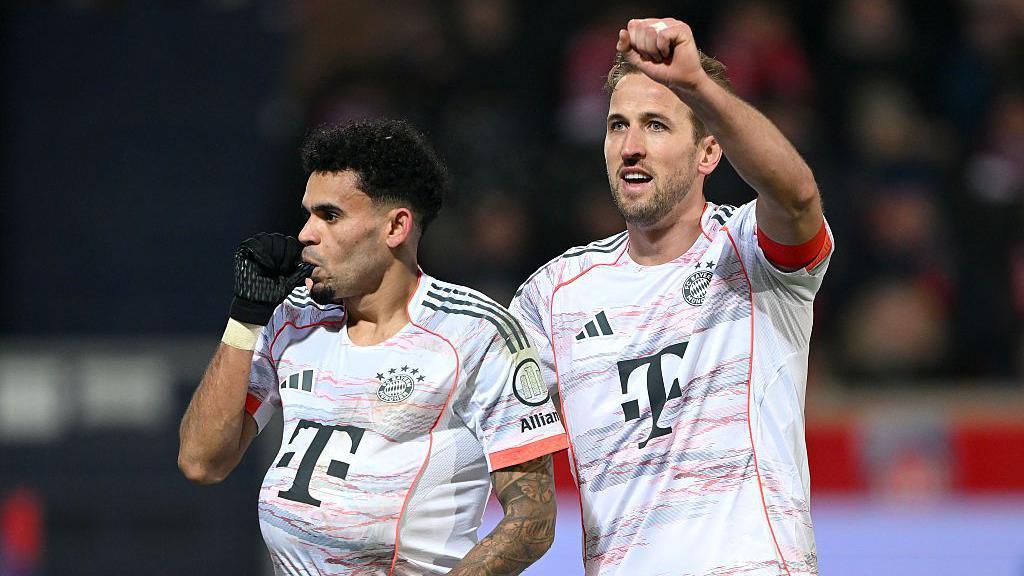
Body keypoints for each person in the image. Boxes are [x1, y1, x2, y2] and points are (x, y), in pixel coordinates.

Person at [509, 18, 832, 576]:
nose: (630, 148)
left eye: (655, 125)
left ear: (710, 151)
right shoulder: (553, 295)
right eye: (617, 127)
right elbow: (483, 417)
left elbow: (798, 197)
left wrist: (700, 88)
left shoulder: (750, 252)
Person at [178, 119, 568, 575]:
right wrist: (245, 317)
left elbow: (532, 521)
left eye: (330, 215)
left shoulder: (477, 334)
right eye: (307, 214)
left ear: (396, 226)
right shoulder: (292, 319)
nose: (305, 233)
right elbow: (202, 461)